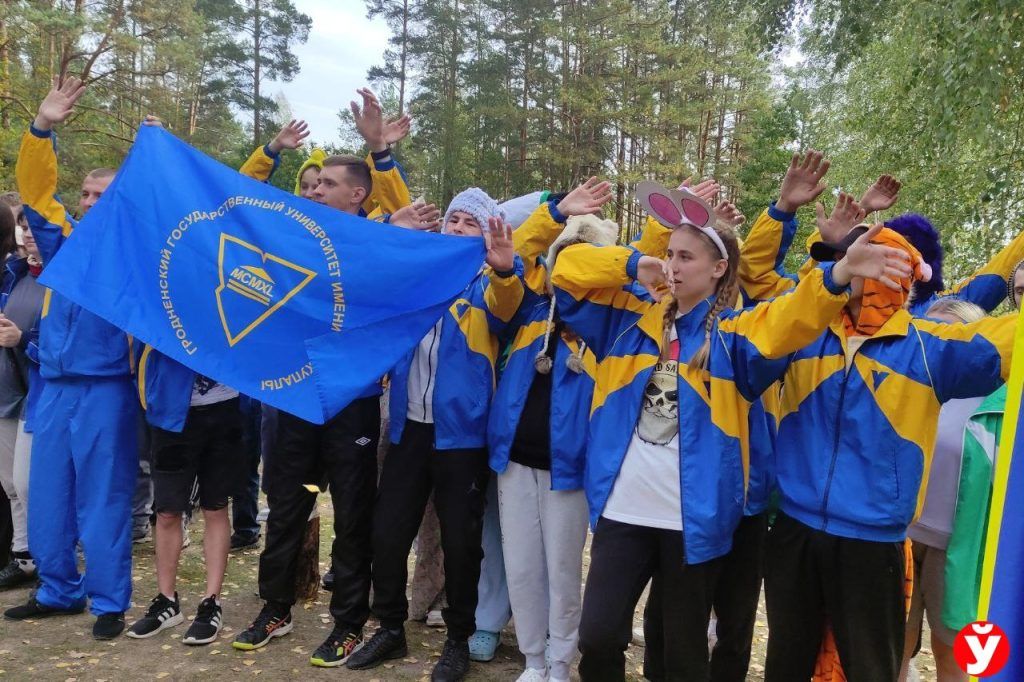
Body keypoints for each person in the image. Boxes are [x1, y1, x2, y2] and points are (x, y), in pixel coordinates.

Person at [551, 180, 910, 680]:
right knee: (598, 635)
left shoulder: (734, 335)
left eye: (686, 257)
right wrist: (635, 263)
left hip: (693, 520)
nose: (674, 266)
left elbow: (791, 317)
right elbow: (564, 270)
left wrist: (840, 271)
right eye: (671, 254)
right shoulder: (625, 319)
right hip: (622, 510)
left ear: (718, 268)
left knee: (683, 656)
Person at [756, 217, 1015, 682]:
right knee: (785, 665)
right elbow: (755, 282)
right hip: (794, 529)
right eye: (847, 259)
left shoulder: (930, 348)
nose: (849, 270)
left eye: (865, 260)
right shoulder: (803, 331)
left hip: (872, 544)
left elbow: (1009, 339)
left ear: (898, 274)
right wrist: (788, 217)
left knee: (871, 670)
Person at [232, 90, 414, 667]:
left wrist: (379, 150)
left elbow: (407, 220)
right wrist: (269, 151)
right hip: (294, 391)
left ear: (357, 195)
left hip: (352, 398)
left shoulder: (379, 233)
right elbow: (238, 201)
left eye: (327, 185)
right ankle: (275, 607)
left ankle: (348, 622)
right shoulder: (293, 230)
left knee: (353, 514)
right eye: (312, 185)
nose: (314, 191)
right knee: (288, 505)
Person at [126, 119, 310, 645]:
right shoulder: (158, 261)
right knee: (166, 510)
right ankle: (166, 600)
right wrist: (151, 150)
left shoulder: (221, 251)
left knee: (215, 508)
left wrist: (270, 151)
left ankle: (210, 602)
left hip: (226, 410)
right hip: (170, 406)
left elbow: (235, 196)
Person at [2, 77, 158, 640]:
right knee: (47, 497)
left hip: (105, 390)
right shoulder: (65, 241)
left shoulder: (138, 254)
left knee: (103, 499)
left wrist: (150, 157)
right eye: (85, 194)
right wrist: (42, 127)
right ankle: (57, 589)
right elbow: (36, 195)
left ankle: (110, 599)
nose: (89, 202)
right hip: (53, 389)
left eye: (100, 195)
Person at [345, 188, 523, 682]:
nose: (458, 228)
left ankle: (458, 639)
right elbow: (365, 275)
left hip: (462, 438)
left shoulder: (488, 282)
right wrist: (391, 232)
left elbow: (508, 311)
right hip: (408, 430)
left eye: (471, 222)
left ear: (485, 234)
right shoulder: (417, 277)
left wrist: (504, 271)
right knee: (387, 533)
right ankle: (390, 628)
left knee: (461, 544)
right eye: (453, 219)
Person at [487, 178, 615, 682]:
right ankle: (533, 660)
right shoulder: (529, 308)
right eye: (565, 254)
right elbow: (509, 263)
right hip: (514, 461)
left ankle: (560, 662)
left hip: (570, 468)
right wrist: (556, 215)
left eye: (583, 257)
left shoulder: (608, 324)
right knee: (522, 566)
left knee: (562, 571)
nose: (571, 267)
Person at [897, 298, 986, 682]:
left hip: (958, 548)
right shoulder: (905, 385)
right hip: (897, 534)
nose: (938, 342)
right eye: (930, 332)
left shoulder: (996, 394)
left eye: (950, 334)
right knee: (894, 645)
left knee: (953, 653)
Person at [0, 197, 45, 591]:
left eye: (34, 226)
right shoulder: (14, 273)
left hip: (39, 395)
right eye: (23, 225)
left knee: (31, 484)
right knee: (10, 483)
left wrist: (23, 339)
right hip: (7, 391)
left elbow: (65, 341)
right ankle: (23, 555)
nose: (27, 233)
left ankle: (49, 556)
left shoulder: (60, 277)